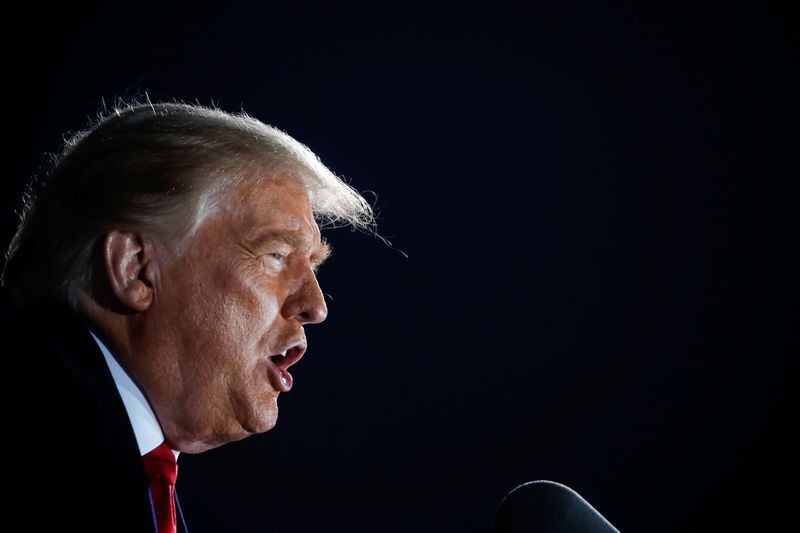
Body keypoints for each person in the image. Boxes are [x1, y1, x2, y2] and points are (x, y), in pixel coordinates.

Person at [2, 101, 373, 531]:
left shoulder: (109, 458)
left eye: (312, 264)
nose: (316, 305)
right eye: (275, 255)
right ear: (135, 268)